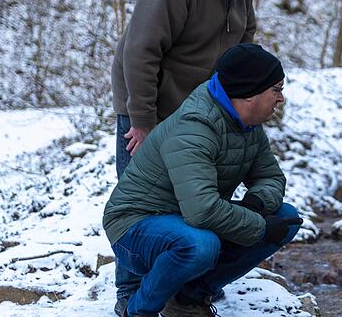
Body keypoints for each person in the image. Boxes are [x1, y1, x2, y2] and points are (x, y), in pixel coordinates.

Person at [110, 0, 264, 314]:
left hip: (205, 116)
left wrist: (239, 110)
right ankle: (130, 294)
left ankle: (184, 288)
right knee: (143, 205)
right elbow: (140, 54)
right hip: (153, 111)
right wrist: (141, 121)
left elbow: (241, 53)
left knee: (198, 201)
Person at [103, 44, 302, 317]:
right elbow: (203, 210)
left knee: (286, 217)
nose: (281, 99)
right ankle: (139, 310)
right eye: (276, 89)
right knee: (200, 245)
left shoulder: (247, 125)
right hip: (135, 226)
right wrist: (260, 226)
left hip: (188, 219)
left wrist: (256, 204)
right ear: (248, 94)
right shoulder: (195, 128)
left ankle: (188, 298)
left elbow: (270, 176)